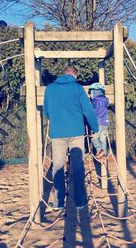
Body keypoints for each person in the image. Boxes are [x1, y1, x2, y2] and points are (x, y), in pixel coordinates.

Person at [44, 66, 98, 210]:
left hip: (57, 133)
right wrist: (95, 128)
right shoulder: (78, 88)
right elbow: (88, 110)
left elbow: (47, 112)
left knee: (58, 166)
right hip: (76, 132)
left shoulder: (49, 89)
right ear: (74, 76)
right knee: (78, 166)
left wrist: (57, 119)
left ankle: (58, 202)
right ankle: (80, 201)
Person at [88, 83, 109, 162]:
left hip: (97, 123)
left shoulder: (96, 101)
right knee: (103, 139)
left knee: (94, 137)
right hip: (105, 122)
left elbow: (94, 111)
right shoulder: (105, 100)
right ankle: (104, 155)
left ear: (95, 92)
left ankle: (100, 150)